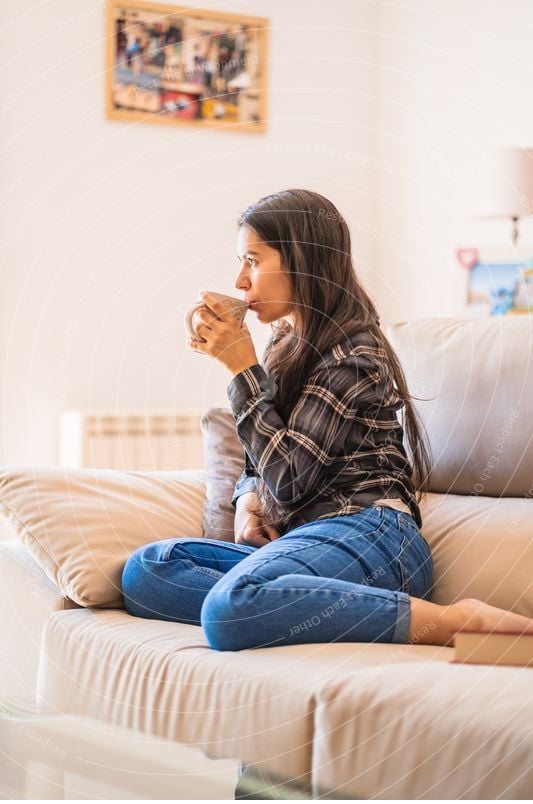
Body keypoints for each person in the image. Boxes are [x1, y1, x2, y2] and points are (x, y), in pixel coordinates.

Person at [121, 189, 533, 651]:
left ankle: (452, 622)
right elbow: (265, 463)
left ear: (303, 260)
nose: (239, 281)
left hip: (374, 537)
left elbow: (292, 478)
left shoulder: (355, 352)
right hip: (309, 544)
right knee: (148, 571)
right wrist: (247, 501)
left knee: (228, 609)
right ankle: (300, 604)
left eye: (253, 261)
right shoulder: (284, 345)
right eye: (240, 262)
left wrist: (241, 369)